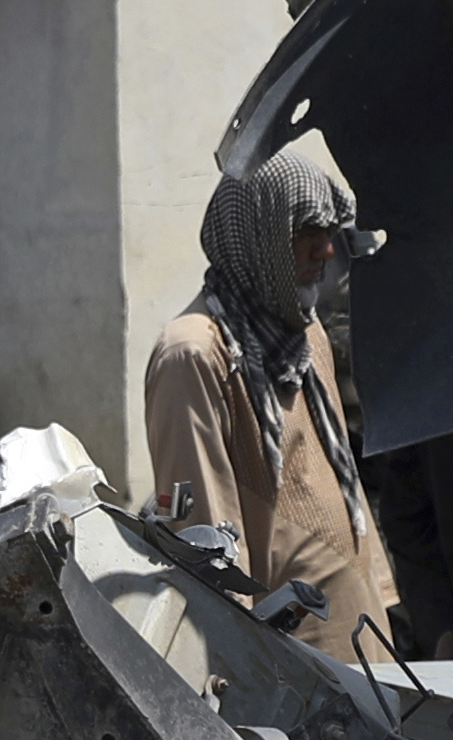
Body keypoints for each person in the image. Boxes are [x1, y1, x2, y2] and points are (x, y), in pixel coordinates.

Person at [139, 143, 402, 654]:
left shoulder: (306, 336)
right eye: (306, 234)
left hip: (362, 639)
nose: (325, 253)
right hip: (289, 667)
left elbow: (341, 494)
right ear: (257, 236)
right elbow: (202, 538)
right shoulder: (195, 353)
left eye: (327, 235)